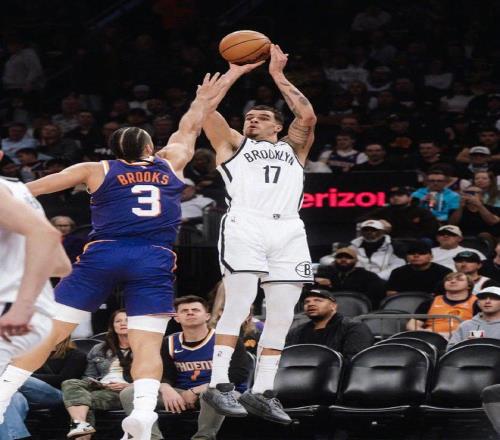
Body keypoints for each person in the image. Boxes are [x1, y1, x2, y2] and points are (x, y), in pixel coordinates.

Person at [0, 72, 229, 440]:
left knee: (50, 333)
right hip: (153, 257)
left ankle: (2, 396)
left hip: (104, 254)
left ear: (115, 151)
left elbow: (28, 190)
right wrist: (203, 99)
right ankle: (142, 413)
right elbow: (189, 127)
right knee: (147, 345)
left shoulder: (95, 169)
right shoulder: (171, 163)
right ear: (151, 147)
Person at [201, 44, 317, 425]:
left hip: (289, 229)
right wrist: (233, 73)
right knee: (239, 303)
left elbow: (307, 116)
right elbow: (206, 112)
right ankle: (219, 383)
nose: (253, 120)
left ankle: (263, 391)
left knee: (282, 315)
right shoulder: (233, 145)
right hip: (246, 224)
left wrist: (278, 76)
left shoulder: (294, 148)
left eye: (263, 117)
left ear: (277, 126)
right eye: (249, 116)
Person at [0, 149, 71, 422]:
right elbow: (61, 265)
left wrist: (22, 305)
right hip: (29, 314)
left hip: (12, 310)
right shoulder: (20, 193)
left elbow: (45, 234)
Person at [120, 295, 251, 440]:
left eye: (195, 310)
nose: (190, 313)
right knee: (129, 392)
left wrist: (197, 390)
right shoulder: (168, 342)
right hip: (181, 393)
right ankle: (152, 438)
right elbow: (160, 372)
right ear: (176, 318)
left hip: (222, 393)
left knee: (214, 393)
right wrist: (166, 388)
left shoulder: (225, 340)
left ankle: (203, 438)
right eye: (184, 311)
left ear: (207, 316)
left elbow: (238, 374)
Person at [61, 310, 131, 438]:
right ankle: (81, 425)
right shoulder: (99, 349)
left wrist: (129, 386)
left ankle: (81, 428)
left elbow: (153, 379)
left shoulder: (145, 348)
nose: (122, 323)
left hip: (126, 392)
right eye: (118, 321)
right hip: (102, 387)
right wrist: (97, 383)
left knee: (83, 400)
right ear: (112, 326)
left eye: (127, 320)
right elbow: (88, 376)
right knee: (69, 383)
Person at [1, 337, 87, 439]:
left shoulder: (76, 355)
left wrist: (28, 376)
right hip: (27, 395)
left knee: (14, 377)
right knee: (11, 397)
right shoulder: (32, 355)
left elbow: (64, 379)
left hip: (59, 396)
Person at [285, 290, 374, 360]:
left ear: (333, 306)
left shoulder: (354, 327)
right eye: (306, 302)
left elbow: (355, 361)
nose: (311, 304)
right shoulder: (296, 332)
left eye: (318, 300)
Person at [406, 272, 478, 337]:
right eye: (448, 280)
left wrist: (453, 335)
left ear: (469, 286)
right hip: (432, 339)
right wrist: (423, 332)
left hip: (462, 340)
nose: (452, 281)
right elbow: (411, 325)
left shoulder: (477, 303)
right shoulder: (430, 302)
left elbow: (480, 330)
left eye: (459, 280)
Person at [314, 247, 386, 308]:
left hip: (357, 310)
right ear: (335, 260)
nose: (343, 260)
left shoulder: (369, 276)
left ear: (356, 260)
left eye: (348, 257)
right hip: (328, 309)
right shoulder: (325, 274)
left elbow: (376, 298)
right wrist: (315, 281)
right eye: (339, 257)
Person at [360, 186, 439, 239]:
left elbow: (432, 230)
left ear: (410, 197)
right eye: (392, 196)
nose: (395, 197)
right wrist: (378, 221)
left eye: (400, 195)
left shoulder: (421, 212)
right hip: (390, 241)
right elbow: (360, 219)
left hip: (416, 241)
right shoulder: (384, 210)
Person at [386, 241, 452, 296]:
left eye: (422, 253)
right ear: (406, 257)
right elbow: (391, 293)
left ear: (431, 256)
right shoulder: (397, 272)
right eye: (411, 253)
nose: (416, 256)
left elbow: (449, 294)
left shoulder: (444, 272)